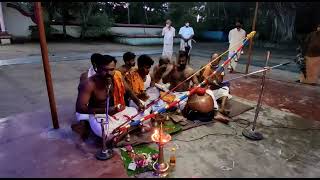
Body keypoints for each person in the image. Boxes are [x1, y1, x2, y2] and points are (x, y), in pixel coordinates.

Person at [75, 54, 144, 142]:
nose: (109, 73)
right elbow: (80, 108)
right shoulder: (89, 84)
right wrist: (106, 110)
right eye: (105, 70)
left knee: (144, 112)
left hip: (117, 111)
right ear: (98, 69)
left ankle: (122, 132)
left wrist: (139, 104)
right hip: (99, 114)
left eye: (112, 70)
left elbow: (129, 91)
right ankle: (130, 128)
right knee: (104, 132)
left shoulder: (117, 76)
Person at [162, 51, 229, 121]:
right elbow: (164, 81)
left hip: (186, 94)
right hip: (174, 94)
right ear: (176, 60)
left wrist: (195, 87)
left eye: (183, 61)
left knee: (209, 92)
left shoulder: (190, 70)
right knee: (175, 105)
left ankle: (216, 113)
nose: (181, 63)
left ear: (187, 60)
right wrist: (170, 71)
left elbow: (197, 83)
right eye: (179, 61)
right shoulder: (171, 68)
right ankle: (181, 111)